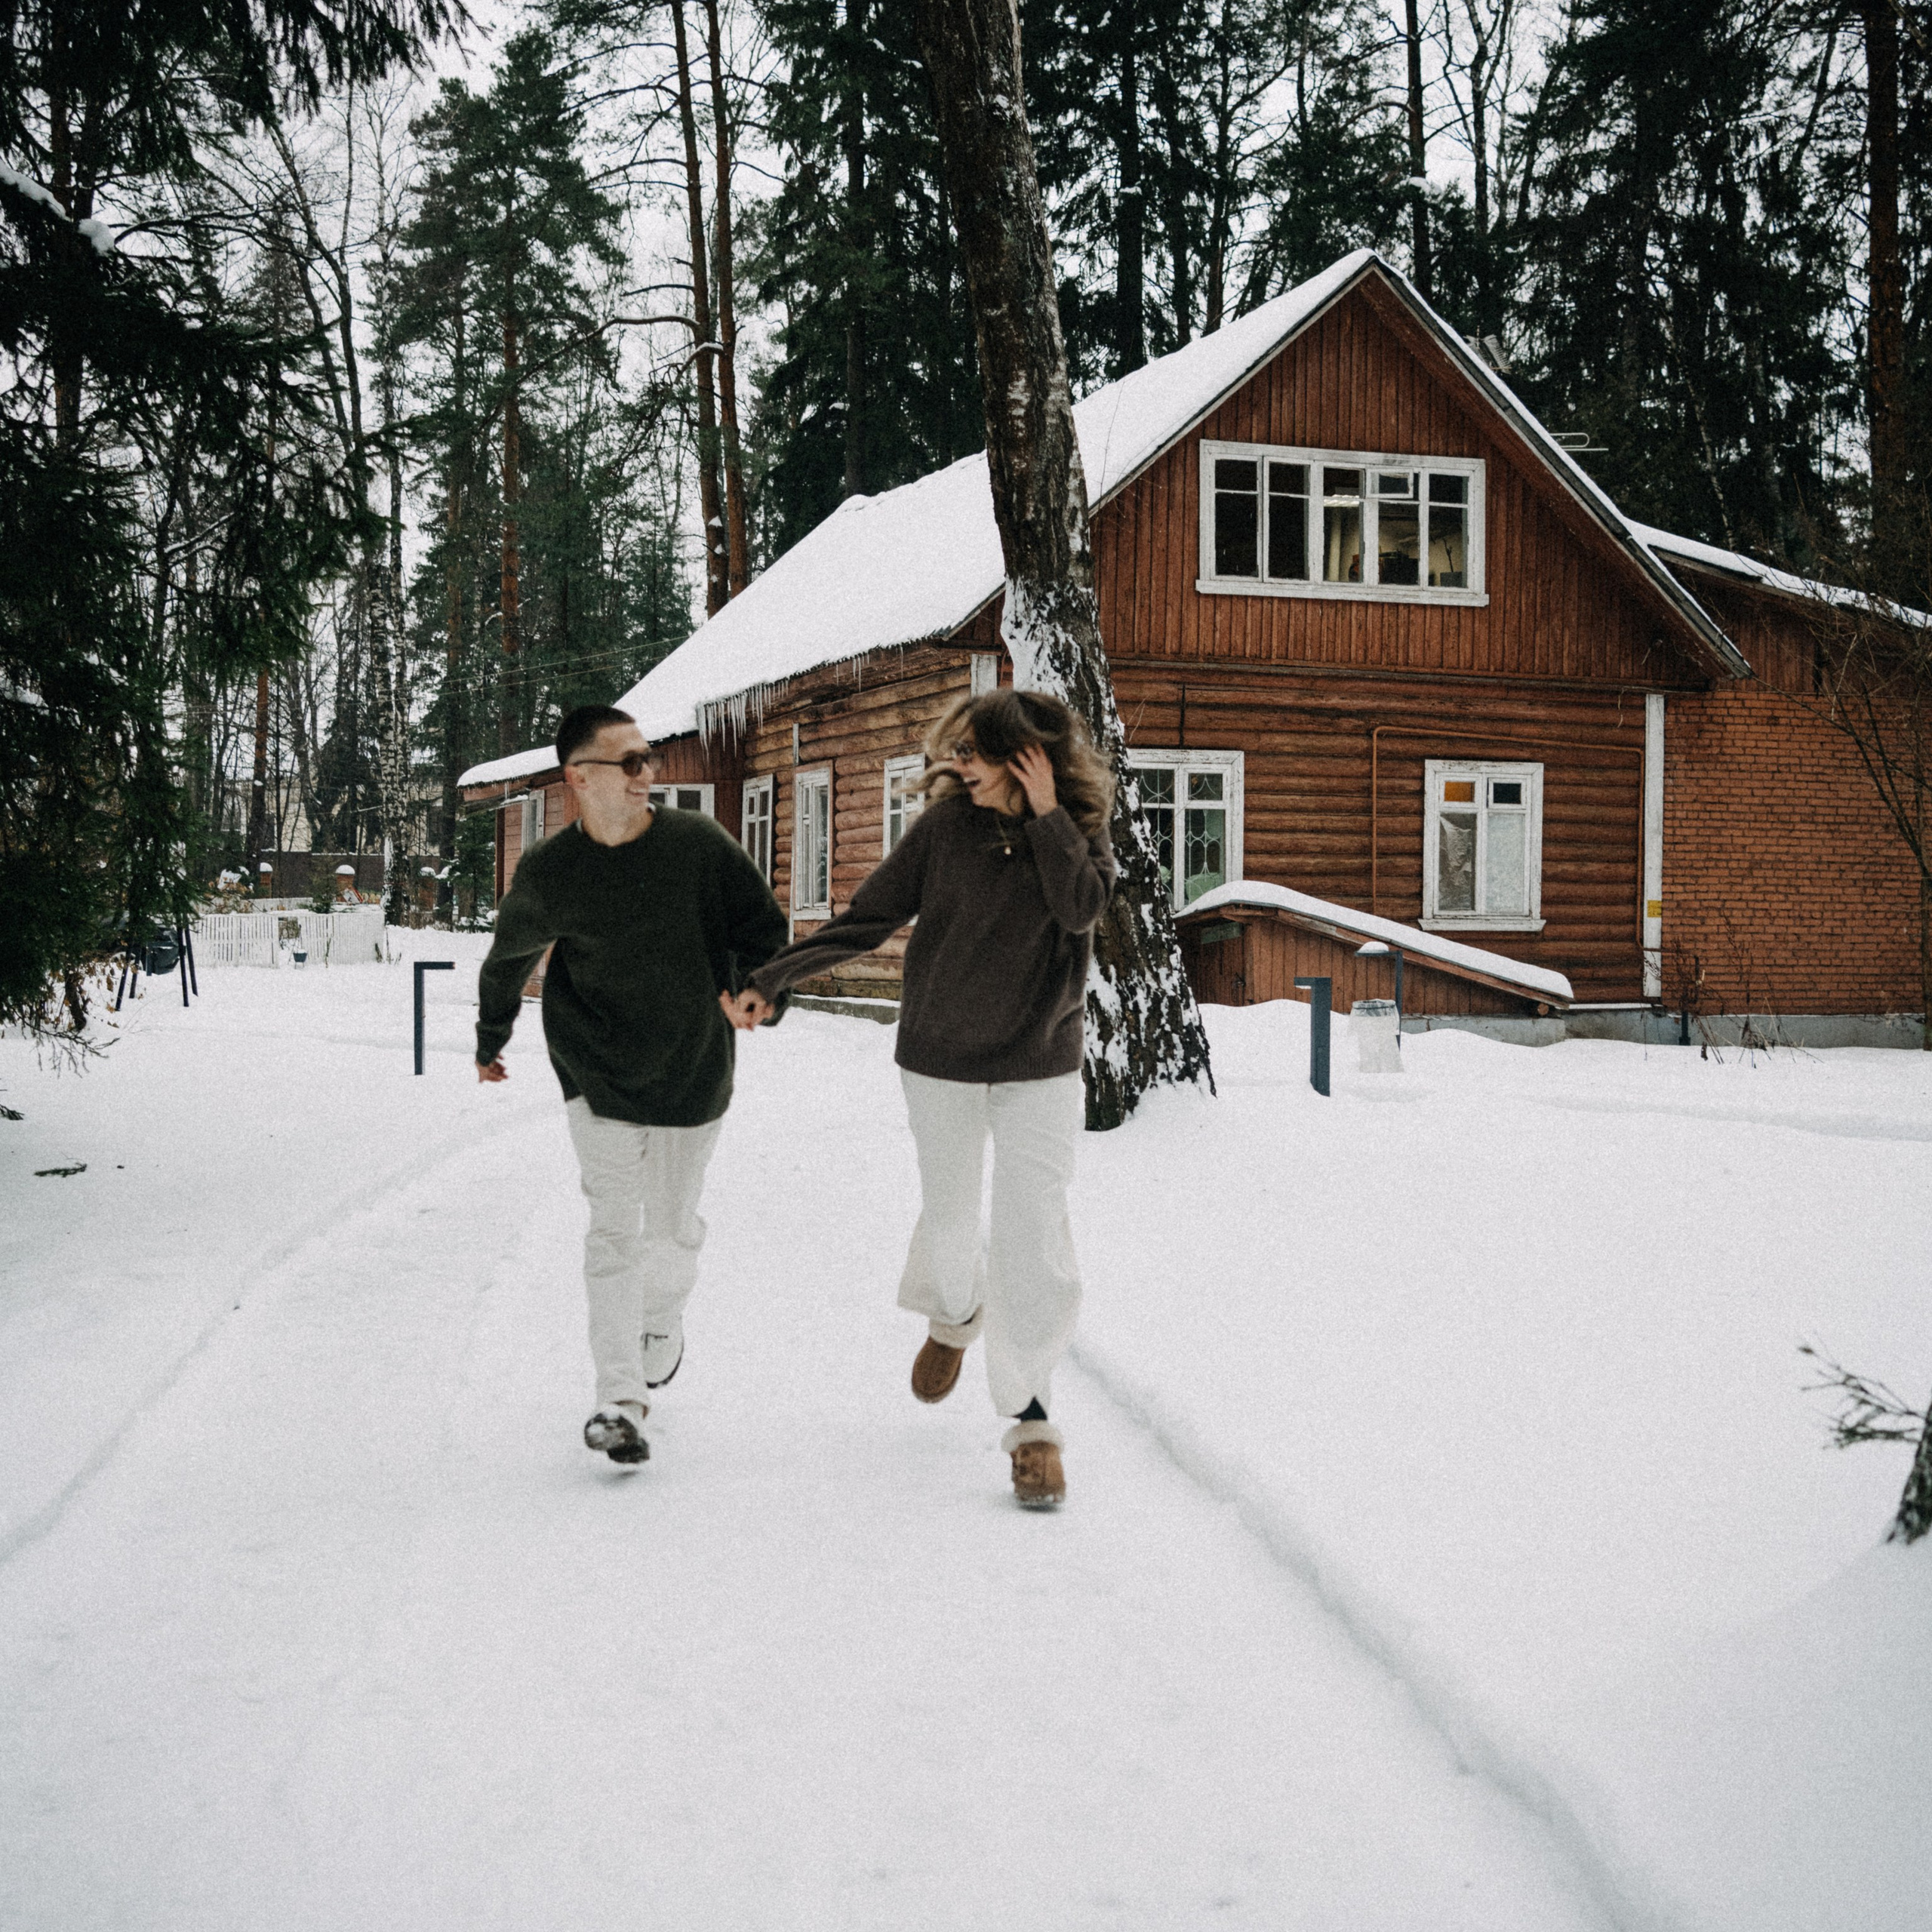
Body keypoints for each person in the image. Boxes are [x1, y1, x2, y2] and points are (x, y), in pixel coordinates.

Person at [725, 689, 1116, 1509]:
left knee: (1034, 1233)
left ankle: (1031, 1418)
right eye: (956, 753)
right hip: (938, 1057)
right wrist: (771, 979)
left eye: (972, 753)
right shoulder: (942, 830)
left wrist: (1045, 813)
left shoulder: (1075, 831)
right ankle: (952, 1314)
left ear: (1027, 757)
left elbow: (1081, 909)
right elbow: (868, 920)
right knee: (949, 1221)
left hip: (1039, 1062)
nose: (955, 766)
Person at [476, 705, 788, 1466]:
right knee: (615, 1229)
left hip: (691, 1065)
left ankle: (661, 1324)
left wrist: (761, 993)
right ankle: (618, 1398)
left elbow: (764, 932)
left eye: (649, 758)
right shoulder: (552, 870)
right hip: (596, 1070)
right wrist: (491, 1038)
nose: (649, 774)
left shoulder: (699, 847)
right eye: (632, 762)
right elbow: (508, 957)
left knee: (671, 1234)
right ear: (579, 778)